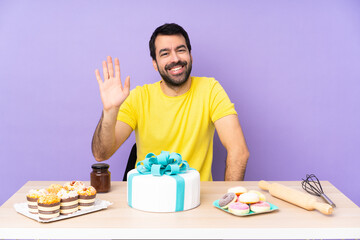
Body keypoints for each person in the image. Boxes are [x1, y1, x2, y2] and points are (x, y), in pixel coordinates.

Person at [92, 23, 249, 181]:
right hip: (147, 198)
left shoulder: (210, 90)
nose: (175, 59)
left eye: (181, 50)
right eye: (165, 53)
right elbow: (101, 154)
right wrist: (109, 112)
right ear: (155, 64)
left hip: (196, 199)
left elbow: (239, 152)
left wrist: (230, 200)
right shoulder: (139, 97)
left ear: (190, 55)